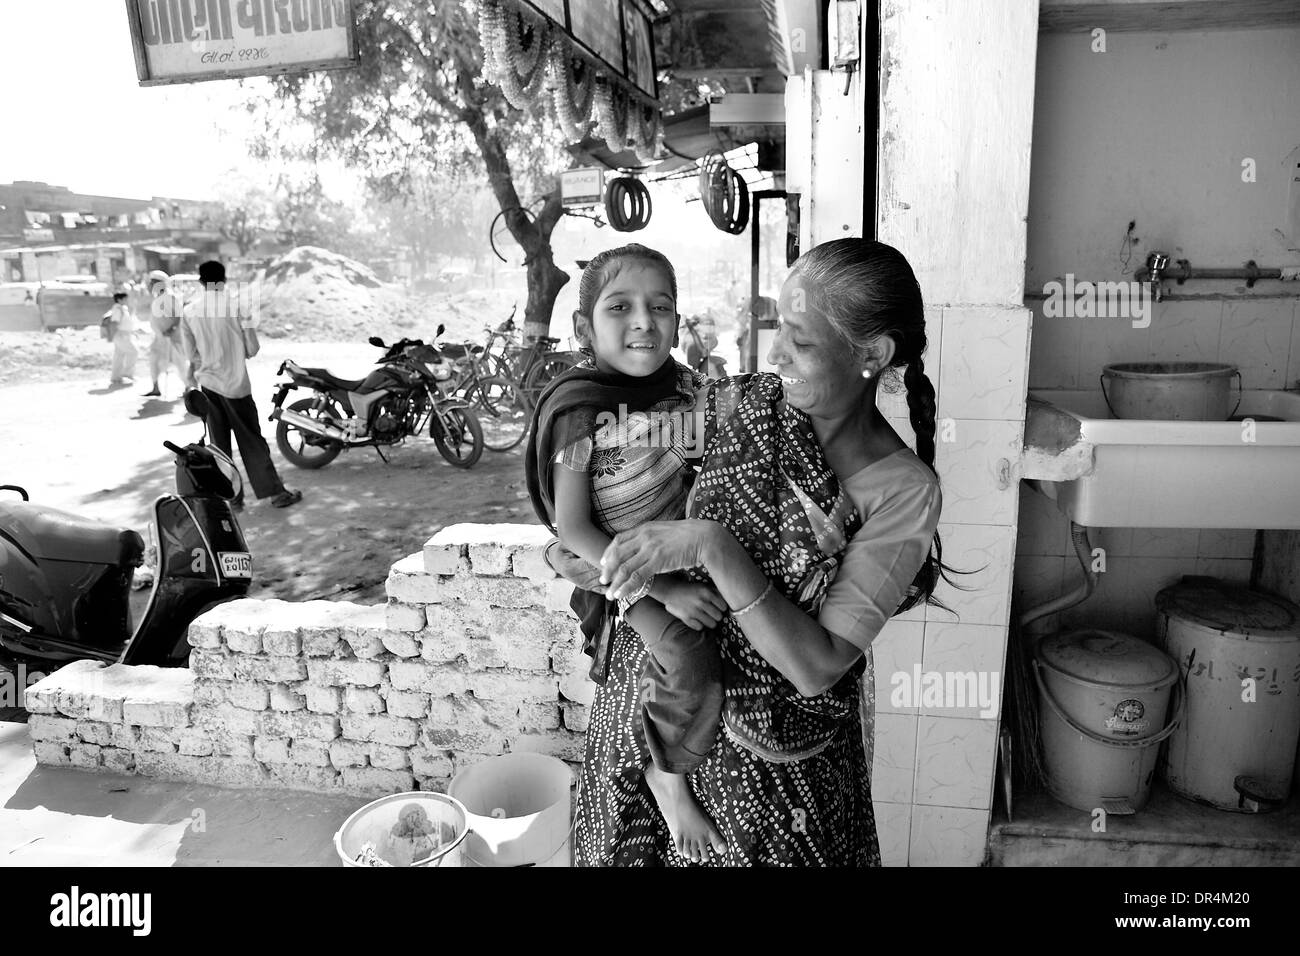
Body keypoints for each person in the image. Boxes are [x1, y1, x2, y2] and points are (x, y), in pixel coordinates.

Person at [550, 238, 948, 866]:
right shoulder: (749, 406)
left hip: (783, 773)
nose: (776, 354)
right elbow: (609, 471)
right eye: (777, 328)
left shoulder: (902, 491)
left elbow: (817, 667)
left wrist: (709, 544)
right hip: (658, 717)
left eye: (802, 340)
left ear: (871, 354)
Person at [525, 244, 728, 862]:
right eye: (621, 307)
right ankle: (666, 777)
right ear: (586, 328)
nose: (644, 321)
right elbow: (574, 530)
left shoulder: (686, 395)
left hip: (681, 554)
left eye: (660, 307)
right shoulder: (578, 414)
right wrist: (659, 588)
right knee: (688, 657)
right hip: (619, 569)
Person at [180, 260, 302, 509]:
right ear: (223, 279)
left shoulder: (189, 311)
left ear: (201, 282)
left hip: (209, 386)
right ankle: (275, 494)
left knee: (219, 446)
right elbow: (253, 348)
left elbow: (190, 355)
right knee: (251, 440)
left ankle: (232, 500)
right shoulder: (238, 305)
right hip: (237, 385)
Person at [144, 270, 192, 397]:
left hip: (172, 337)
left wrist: (172, 329)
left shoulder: (170, 297)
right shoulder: (157, 298)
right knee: (154, 360)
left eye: (152, 282)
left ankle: (190, 388)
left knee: (180, 363)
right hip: (159, 337)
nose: (149, 284)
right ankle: (155, 388)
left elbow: (179, 315)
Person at [106, 292, 138, 386]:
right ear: (119, 300)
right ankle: (128, 374)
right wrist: (115, 335)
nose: (127, 301)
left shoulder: (123, 308)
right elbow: (115, 323)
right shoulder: (117, 308)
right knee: (133, 352)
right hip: (121, 335)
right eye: (125, 299)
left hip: (124, 334)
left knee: (119, 356)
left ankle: (116, 377)